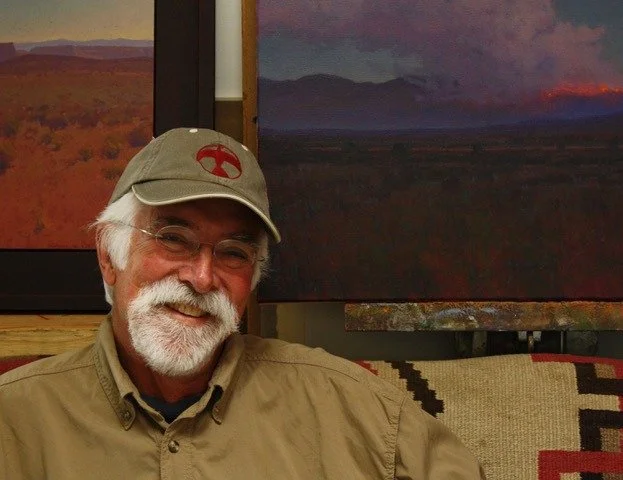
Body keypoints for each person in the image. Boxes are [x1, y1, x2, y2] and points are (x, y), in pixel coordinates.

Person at [0, 127, 485, 479]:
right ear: (110, 255)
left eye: (233, 252)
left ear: (253, 277)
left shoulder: (351, 408)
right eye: (174, 239)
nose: (202, 277)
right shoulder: (15, 421)